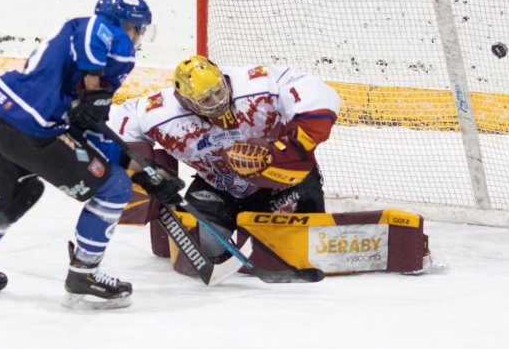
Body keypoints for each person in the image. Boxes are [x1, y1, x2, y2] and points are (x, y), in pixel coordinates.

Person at [0, 0, 163, 310]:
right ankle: (84, 273)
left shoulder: (74, 36)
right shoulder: (101, 33)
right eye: (137, 29)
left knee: (15, 197)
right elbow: (95, 37)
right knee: (114, 189)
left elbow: (89, 129)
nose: (138, 38)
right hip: (34, 133)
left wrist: (139, 167)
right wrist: (93, 87)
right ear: (127, 26)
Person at [109, 55, 341, 261]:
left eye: (218, 90)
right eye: (205, 100)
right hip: (218, 187)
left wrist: (287, 150)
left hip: (278, 182)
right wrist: (144, 171)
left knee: (298, 250)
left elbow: (315, 91)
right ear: (186, 101)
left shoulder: (256, 84)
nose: (217, 101)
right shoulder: (160, 112)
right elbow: (119, 124)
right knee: (204, 246)